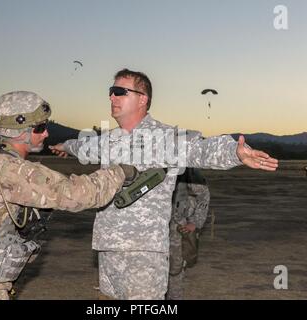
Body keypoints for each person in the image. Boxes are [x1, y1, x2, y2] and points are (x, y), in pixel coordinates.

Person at [50, 69, 278, 299]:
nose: (112, 97)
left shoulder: (164, 138)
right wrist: (64, 146)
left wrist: (235, 153)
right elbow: (83, 146)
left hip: (144, 252)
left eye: (119, 92)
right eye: (111, 92)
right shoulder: (110, 140)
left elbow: (201, 149)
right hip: (107, 247)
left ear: (142, 99)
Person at [0, 91, 136, 300]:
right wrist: (119, 172)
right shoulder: (14, 170)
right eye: (40, 128)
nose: (46, 134)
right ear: (20, 131)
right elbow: (77, 194)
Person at [166, 168, 210, 300]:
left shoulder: (185, 170)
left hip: (176, 226)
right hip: (149, 227)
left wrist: (195, 222)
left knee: (176, 269)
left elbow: (203, 195)